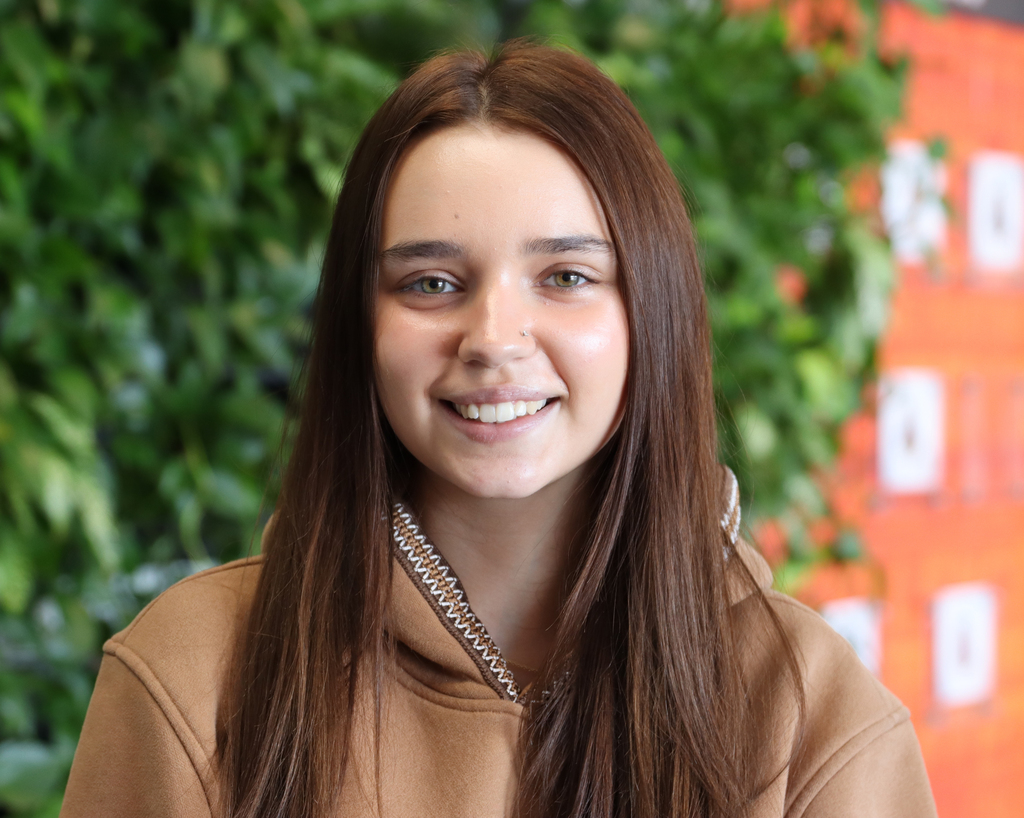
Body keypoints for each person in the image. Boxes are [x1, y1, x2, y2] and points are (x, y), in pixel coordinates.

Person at [61, 40, 936, 818]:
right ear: (358, 326)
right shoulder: (195, 673)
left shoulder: (813, 721)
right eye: (431, 284)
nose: (493, 340)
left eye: (565, 276)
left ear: (651, 313)